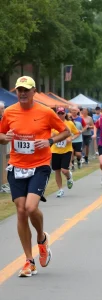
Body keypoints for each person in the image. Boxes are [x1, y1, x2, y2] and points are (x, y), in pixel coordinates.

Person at [0, 76, 70, 277]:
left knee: (31, 207)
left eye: (26, 90)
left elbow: (65, 132)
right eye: (19, 90)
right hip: (16, 166)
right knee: (21, 211)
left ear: (33, 92)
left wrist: (49, 141)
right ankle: (29, 261)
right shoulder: (10, 112)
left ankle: (41, 238)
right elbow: (1, 136)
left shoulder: (46, 112)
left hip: (39, 165)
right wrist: (6, 137)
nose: (22, 93)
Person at [51, 107, 80, 197]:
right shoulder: (52, 124)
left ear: (65, 114)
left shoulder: (69, 123)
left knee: (64, 170)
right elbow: (49, 134)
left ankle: (68, 177)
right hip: (55, 150)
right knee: (57, 171)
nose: (60, 115)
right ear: (56, 114)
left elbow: (77, 133)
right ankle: (60, 189)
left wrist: (71, 138)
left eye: (62, 113)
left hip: (66, 150)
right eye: (58, 113)